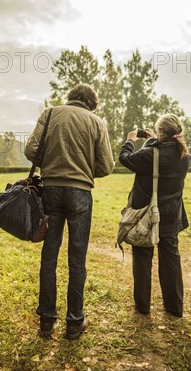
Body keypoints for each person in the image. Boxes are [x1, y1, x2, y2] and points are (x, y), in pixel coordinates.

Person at [25, 83, 114, 340]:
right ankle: (74, 323)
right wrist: (84, 168)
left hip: (51, 189)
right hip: (80, 194)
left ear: (70, 97)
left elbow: (31, 150)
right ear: (92, 102)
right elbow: (106, 166)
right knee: (77, 260)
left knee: (49, 256)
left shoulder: (50, 114)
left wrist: (52, 162)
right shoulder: (97, 123)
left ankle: (46, 321)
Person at [118, 114, 191, 318]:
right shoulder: (184, 154)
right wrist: (152, 140)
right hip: (171, 215)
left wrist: (131, 140)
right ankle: (175, 307)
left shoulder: (150, 154)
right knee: (171, 260)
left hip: (147, 216)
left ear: (161, 132)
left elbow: (125, 158)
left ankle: (143, 307)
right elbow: (157, 153)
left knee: (142, 258)